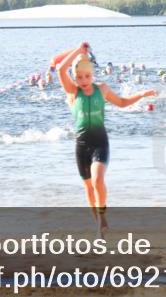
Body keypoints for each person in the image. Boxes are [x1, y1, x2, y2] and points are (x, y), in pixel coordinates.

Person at [56, 42, 156, 238]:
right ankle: (99, 225)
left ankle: (102, 215)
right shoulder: (72, 92)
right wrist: (78, 50)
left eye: (87, 76)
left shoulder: (101, 89)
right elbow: (60, 68)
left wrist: (142, 94)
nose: (84, 80)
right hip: (81, 147)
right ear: (75, 78)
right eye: (79, 77)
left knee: (98, 181)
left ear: (92, 74)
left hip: (100, 144)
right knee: (88, 187)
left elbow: (122, 103)